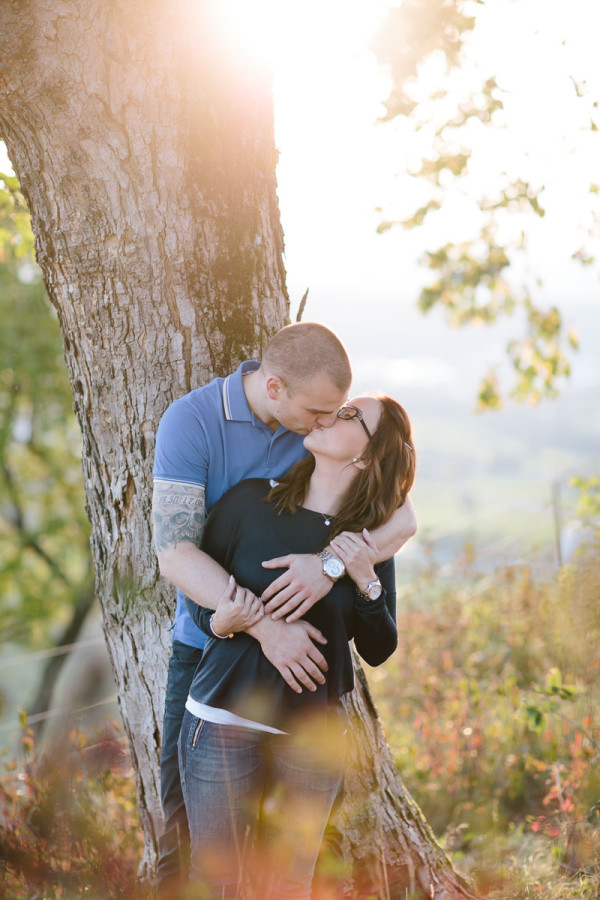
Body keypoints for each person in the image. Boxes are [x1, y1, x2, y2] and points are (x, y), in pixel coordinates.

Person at [152, 323, 417, 895]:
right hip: (213, 671)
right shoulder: (202, 435)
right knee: (192, 851)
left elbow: (397, 507)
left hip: (308, 726)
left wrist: (338, 567)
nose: (328, 419)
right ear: (276, 389)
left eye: (343, 413)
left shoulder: (331, 470)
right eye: (324, 411)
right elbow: (174, 553)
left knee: (292, 878)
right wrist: (261, 627)